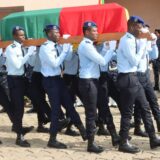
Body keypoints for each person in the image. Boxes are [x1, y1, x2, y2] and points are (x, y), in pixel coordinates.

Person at [117, 16, 160, 153]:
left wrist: (147, 43)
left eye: (142, 27)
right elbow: (134, 61)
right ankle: (123, 142)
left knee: (145, 108)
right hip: (127, 78)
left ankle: (153, 138)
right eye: (139, 27)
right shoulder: (126, 41)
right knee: (128, 112)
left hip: (134, 78)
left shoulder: (134, 40)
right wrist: (143, 44)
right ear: (131, 27)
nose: (141, 30)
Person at [39, 24, 87, 149]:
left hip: (58, 79)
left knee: (69, 105)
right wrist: (65, 49)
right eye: (56, 32)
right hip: (50, 81)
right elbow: (55, 63)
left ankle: (83, 130)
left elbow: (68, 58)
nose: (58, 34)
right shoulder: (45, 47)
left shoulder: (57, 45)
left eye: (59, 32)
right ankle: (52, 139)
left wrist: (70, 47)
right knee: (55, 109)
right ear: (49, 34)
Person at [78, 21, 115, 153]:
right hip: (88, 82)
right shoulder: (86, 45)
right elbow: (102, 61)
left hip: (93, 81)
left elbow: (99, 58)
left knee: (99, 108)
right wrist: (111, 48)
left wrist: (105, 48)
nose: (97, 33)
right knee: (91, 113)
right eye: (94, 31)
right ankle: (91, 144)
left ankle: (111, 137)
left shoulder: (89, 45)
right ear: (87, 32)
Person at [5, 26, 36, 147]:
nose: (23, 37)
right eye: (20, 35)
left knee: (36, 98)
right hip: (14, 80)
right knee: (19, 109)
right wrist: (28, 53)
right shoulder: (11, 48)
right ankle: (19, 136)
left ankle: (21, 128)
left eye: (24, 35)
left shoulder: (23, 47)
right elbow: (18, 65)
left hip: (22, 79)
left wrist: (32, 53)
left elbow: (31, 63)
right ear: (14, 36)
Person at [134, 27, 160, 137]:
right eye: (146, 33)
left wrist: (153, 43)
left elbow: (154, 56)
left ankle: (159, 124)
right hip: (137, 76)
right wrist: (145, 44)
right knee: (140, 104)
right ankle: (138, 127)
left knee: (154, 101)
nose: (148, 35)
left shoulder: (145, 44)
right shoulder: (136, 43)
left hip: (145, 75)